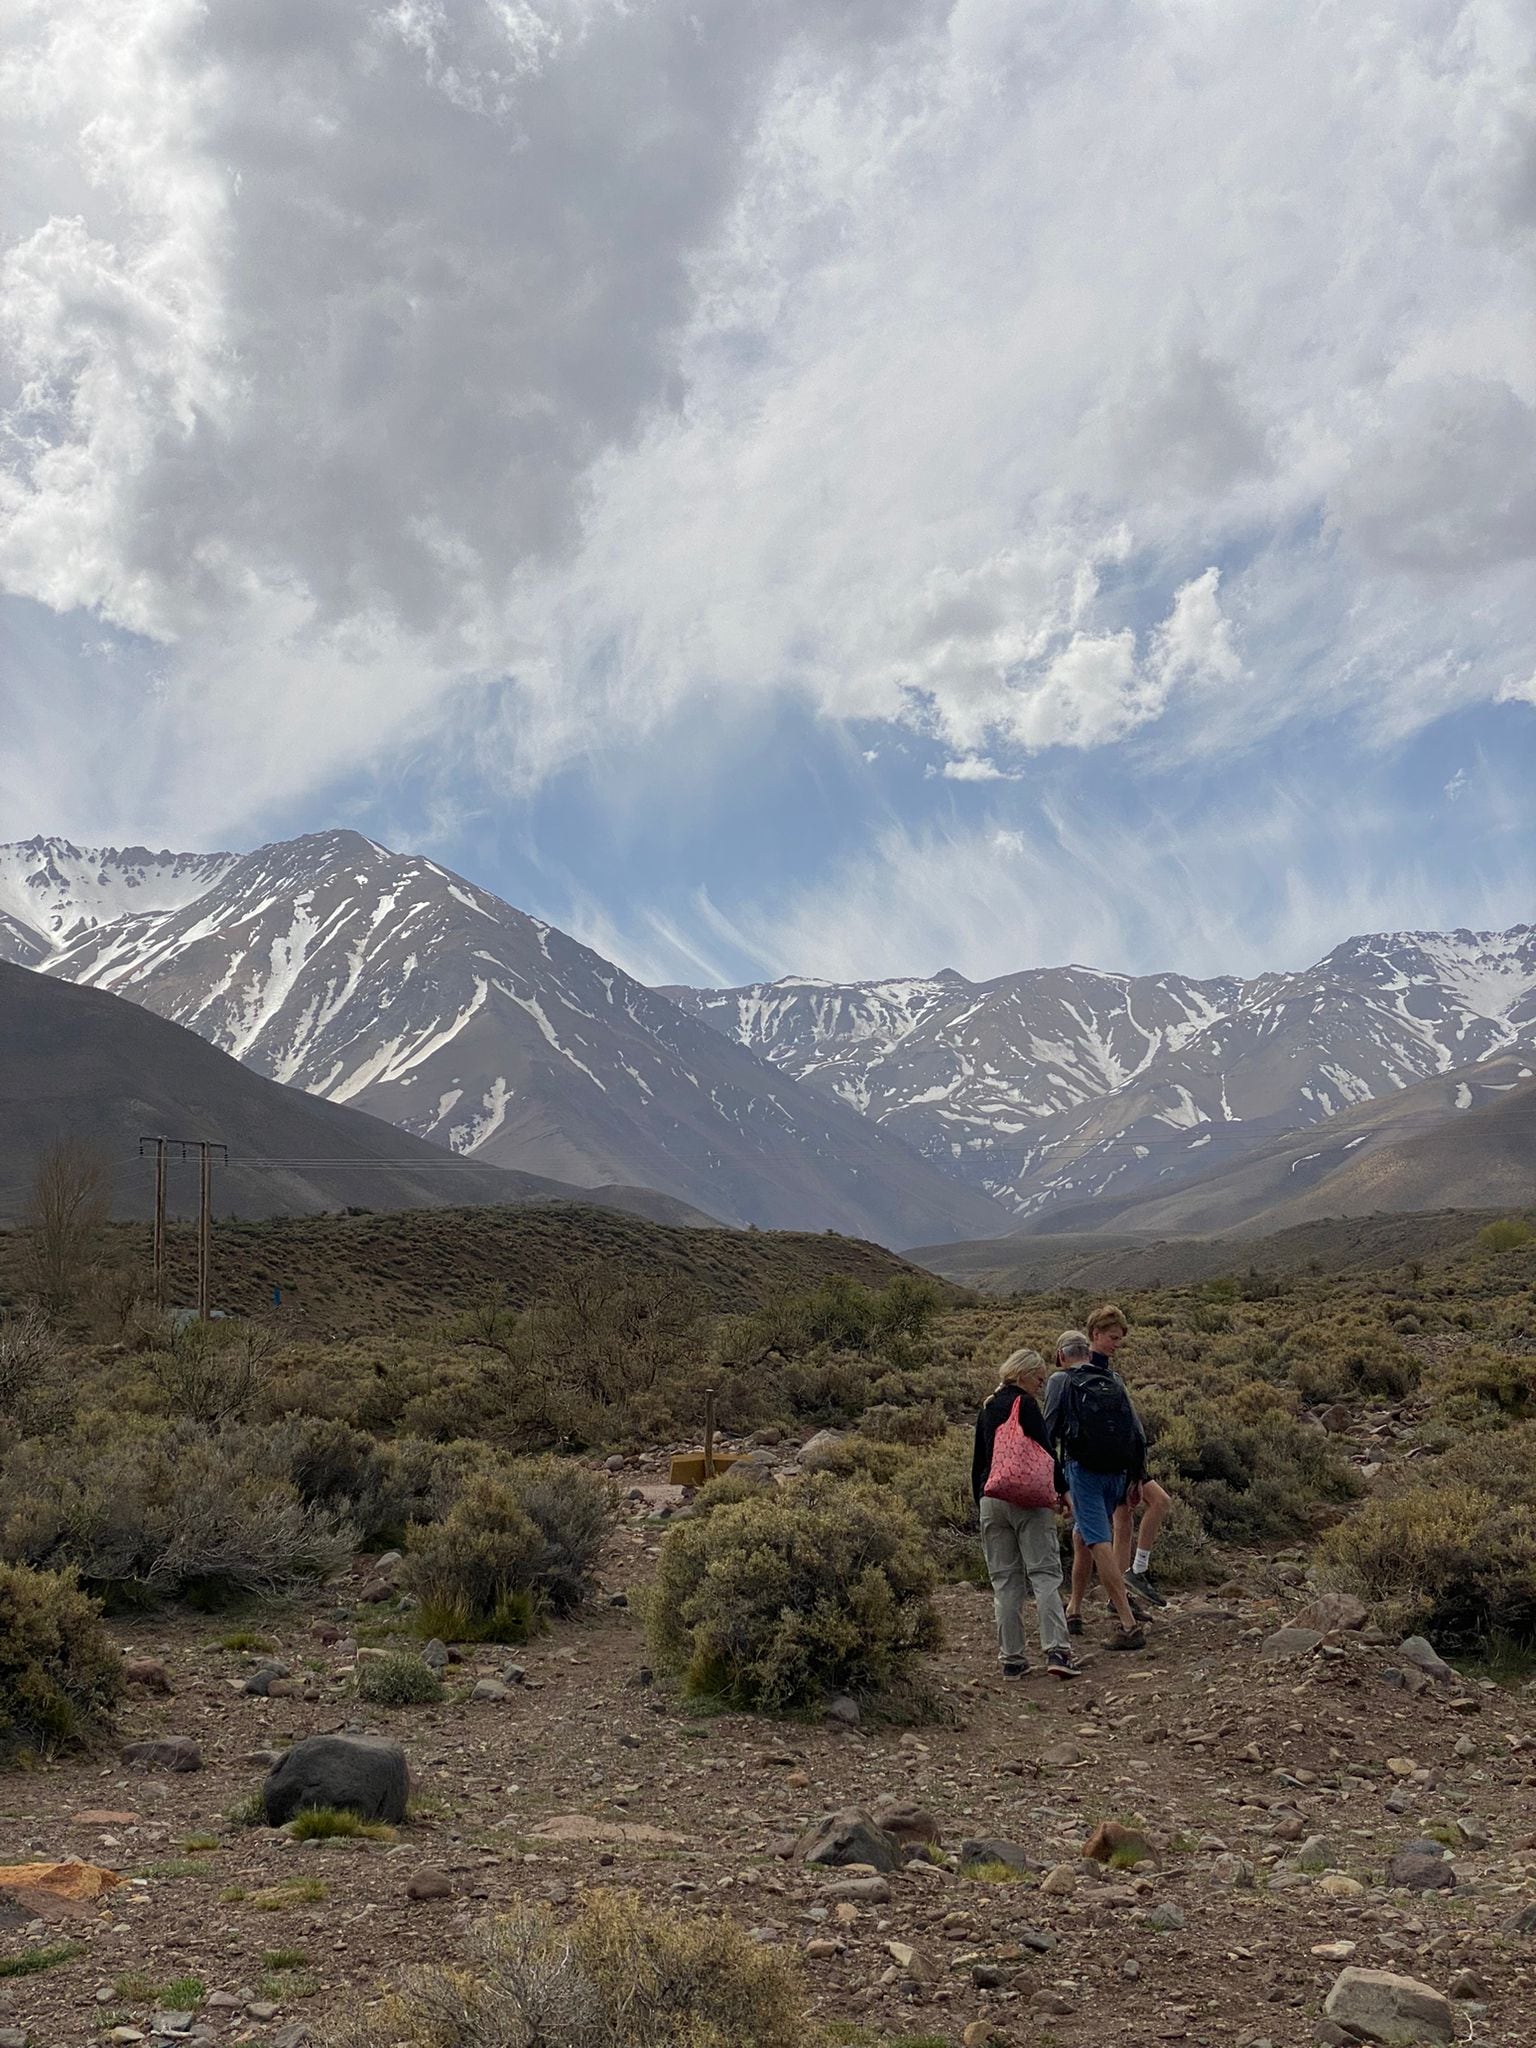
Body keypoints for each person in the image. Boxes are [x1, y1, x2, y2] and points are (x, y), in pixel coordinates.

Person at [972, 1348, 1081, 1680]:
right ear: (1022, 1375)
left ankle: (1012, 1659)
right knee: (1045, 1575)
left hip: (992, 1499)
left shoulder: (989, 1406)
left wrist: (982, 1501)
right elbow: (1046, 1453)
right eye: (1038, 1378)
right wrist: (1064, 1494)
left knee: (1004, 1581)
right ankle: (1057, 1651)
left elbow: (978, 1461)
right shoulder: (1026, 1404)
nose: (1040, 1384)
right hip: (1028, 1501)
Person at [1044, 1308, 1146, 1651]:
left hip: (1083, 1472)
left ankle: (1128, 1625)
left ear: (1061, 1356)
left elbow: (1049, 1434)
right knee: (1082, 1536)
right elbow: (1136, 1432)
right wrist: (1135, 1477)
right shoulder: (1113, 1380)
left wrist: (1056, 1485)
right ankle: (1074, 1609)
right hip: (1116, 1472)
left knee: (1098, 1543)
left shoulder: (1061, 1381)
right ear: (1088, 1347)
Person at [1081, 1305, 1172, 1607]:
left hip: (1123, 1458)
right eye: (1112, 1338)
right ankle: (1135, 1574)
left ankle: (1118, 1596)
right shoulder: (1088, 1375)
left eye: (1119, 1339)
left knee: (1125, 1520)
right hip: (1112, 1460)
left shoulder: (1105, 1373)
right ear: (1095, 1335)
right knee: (1157, 1502)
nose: (1117, 1345)